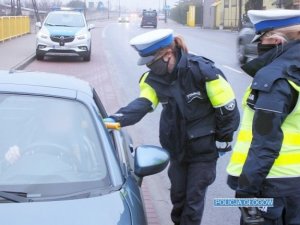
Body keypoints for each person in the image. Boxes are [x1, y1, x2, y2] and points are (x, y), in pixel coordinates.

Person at [104, 29, 240, 225]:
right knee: (178, 199)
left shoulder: (203, 72)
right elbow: (143, 104)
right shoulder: (152, 79)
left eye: (151, 62)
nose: (149, 66)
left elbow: (228, 110)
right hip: (177, 149)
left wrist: (223, 140)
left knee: (193, 203)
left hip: (203, 152)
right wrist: (113, 120)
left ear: (168, 54)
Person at [226, 9, 300, 225]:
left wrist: (246, 193)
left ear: (275, 40)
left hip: (272, 184)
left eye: (261, 40)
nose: (257, 46)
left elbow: (265, 143)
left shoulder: (275, 77)